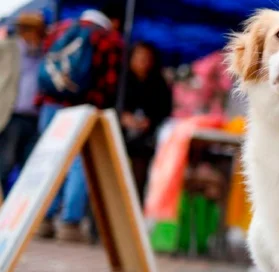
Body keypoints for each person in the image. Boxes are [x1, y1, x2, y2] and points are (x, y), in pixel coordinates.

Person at [36, 4, 124, 242]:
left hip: (51, 104)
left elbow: (44, 62)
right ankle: (70, 223)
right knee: (79, 164)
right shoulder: (109, 38)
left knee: (46, 160)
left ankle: (41, 219)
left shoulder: (61, 28)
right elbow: (109, 81)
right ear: (115, 19)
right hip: (82, 107)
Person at [0, 12, 46, 194]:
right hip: (12, 114)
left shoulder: (42, 52)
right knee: (5, 163)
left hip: (34, 117)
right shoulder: (8, 48)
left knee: (28, 165)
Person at [121, 41, 172, 202]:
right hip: (120, 136)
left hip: (144, 142)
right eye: (139, 57)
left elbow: (165, 110)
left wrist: (150, 121)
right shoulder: (122, 81)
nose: (142, 61)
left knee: (138, 180)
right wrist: (123, 117)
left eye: (146, 58)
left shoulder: (158, 83)